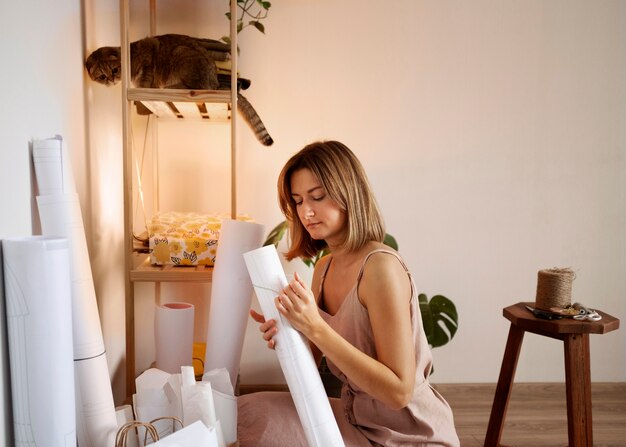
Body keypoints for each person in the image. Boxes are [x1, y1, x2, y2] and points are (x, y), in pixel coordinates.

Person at [237, 140, 459, 446]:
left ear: (348, 194)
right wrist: (289, 331)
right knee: (247, 412)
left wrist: (315, 326)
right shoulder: (324, 268)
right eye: (298, 200)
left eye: (317, 197)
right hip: (358, 418)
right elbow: (312, 360)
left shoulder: (380, 268)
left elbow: (398, 392)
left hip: (408, 434)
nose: (307, 211)